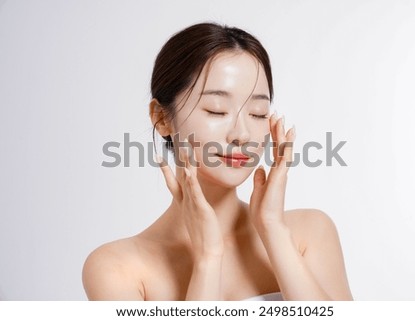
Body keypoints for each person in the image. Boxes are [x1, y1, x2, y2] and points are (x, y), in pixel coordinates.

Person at [82, 22, 353, 301]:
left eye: (258, 113)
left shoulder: (308, 234)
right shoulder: (117, 269)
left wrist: (273, 230)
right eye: (217, 110)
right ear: (162, 118)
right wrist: (208, 259)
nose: (242, 135)